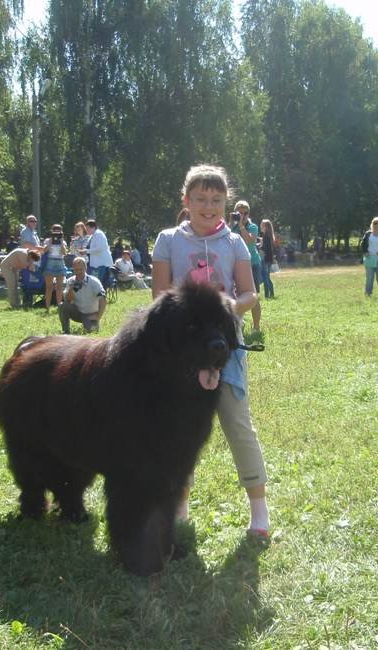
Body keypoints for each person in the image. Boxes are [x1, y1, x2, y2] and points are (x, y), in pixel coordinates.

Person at [151, 164, 270, 541]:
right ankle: (180, 511)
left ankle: (259, 511)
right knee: (178, 431)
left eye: (216, 200)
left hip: (225, 349)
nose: (208, 206)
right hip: (181, 352)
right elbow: (159, 296)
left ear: (226, 203)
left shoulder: (234, 242)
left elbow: (250, 294)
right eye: (200, 199)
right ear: (186, 201)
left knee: (237, 423)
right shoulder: (168, 240)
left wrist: (226, 308)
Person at [231, 201, 262, 331]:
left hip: (252, 264)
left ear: (249, 213)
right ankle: (239, 323)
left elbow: (249, 240)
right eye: (240, 213)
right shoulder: (231, 227)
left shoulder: (253, 226)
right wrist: (231, 222)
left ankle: (256, 327)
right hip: (235, 265)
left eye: (245, 213)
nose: (243, 215)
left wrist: (241, 226)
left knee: (253, 296)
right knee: (235, 295)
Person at [59, 257, 106, 334]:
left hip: (91, 314)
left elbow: (103, 300)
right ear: (73, 269)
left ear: (85, 268)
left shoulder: (94, 282)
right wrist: (71, 290)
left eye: (80, 269)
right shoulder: (70, 281)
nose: (78, 272)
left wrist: (98, 317)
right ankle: (66, 331)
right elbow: (67, 300)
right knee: (62, 306)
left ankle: (91, 324)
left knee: (92, 333)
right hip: (77, 312)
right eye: (76, 270)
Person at [82, 219, 113, 285]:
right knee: (96, 281)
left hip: (101, 263)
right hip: (98, 263)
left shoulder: (98, 234)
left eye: (87, 229)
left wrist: (86, 251)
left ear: (93, 227)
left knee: (97, 282)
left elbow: (99, 248)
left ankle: (98, 294)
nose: (86, 230)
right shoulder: (94, 235)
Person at [259, 219, 276, 299]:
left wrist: (258, 246)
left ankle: (269, 294)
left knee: (265, 278)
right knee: (267, 277)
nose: (260, 226)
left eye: (262, 224)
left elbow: (264, 248)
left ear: (265, 226)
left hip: (265, 259)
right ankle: (269, 294)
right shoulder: (268, 235)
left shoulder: (266, 236)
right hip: (269, 259)